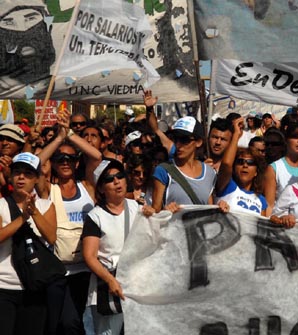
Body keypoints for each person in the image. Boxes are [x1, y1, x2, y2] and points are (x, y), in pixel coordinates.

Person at [36, 108, 101, 335]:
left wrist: (70, 134)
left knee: (76, 323)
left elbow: (96, 157)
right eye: (59, 159)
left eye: (70, 159)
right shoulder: (48, 190)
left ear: (76, 163)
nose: (65, 162)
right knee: (58, 324)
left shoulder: (88, 187)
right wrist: (59, 138)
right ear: (53, 163)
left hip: (85, 268)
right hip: (57, 269)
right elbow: (36, 162)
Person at [82, 159, 155, 334]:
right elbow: (90, 256)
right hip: (109, 289)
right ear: (101, 188)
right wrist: (110, 280)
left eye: (119, 176)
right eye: (109, 179)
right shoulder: (95, 217)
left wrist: (155, 215)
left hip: (138, 285)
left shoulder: (139, 208)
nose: (116, 182)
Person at [0, 152, 56, 335]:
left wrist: (33, 212)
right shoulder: (1, 205)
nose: (21, 177)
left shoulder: (47, 206)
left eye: (28, 173)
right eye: (17, 172)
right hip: (4, 286)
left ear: (37, 178)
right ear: (11, 176)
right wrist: (22, 218)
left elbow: (51, 237)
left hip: (35, 286)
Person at [151, 116, 217, 213]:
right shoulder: (163, 171)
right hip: (172, 227)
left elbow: (209, 210)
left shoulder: (210, 173)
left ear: (198, 142)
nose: (178, 145)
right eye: (176, 139)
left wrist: (222, 207)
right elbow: (155, 212)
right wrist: (165, 211)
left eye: (184, 140)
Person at [215, 117, 268, 216]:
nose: (245, 165)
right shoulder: (227, 187)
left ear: (256, 171)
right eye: (240, 161)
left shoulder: (261, 200)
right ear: (234, 168)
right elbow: (226, 164)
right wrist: (236, 135)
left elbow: (261, 228)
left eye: (251, 162)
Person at [264, 124, 298, 213]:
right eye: (295, 136)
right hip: (281, 221)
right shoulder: (274, 168)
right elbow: (269, 205)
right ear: (286, 140)